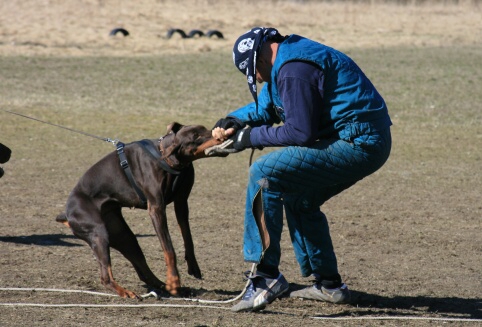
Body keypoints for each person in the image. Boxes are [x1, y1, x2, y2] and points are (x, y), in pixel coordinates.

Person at [212, 27, 392, 312]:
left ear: (259, 59)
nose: (257, 80)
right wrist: (236, 120)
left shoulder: (294, 69)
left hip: (358, 142)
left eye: (253, 74)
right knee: (299, 199)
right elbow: (270, 106)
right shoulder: (286, 56)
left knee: (264, 174)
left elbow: (300, 132)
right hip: (362, 138)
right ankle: (329, 285)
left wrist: (249, 138)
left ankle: (266, 276)